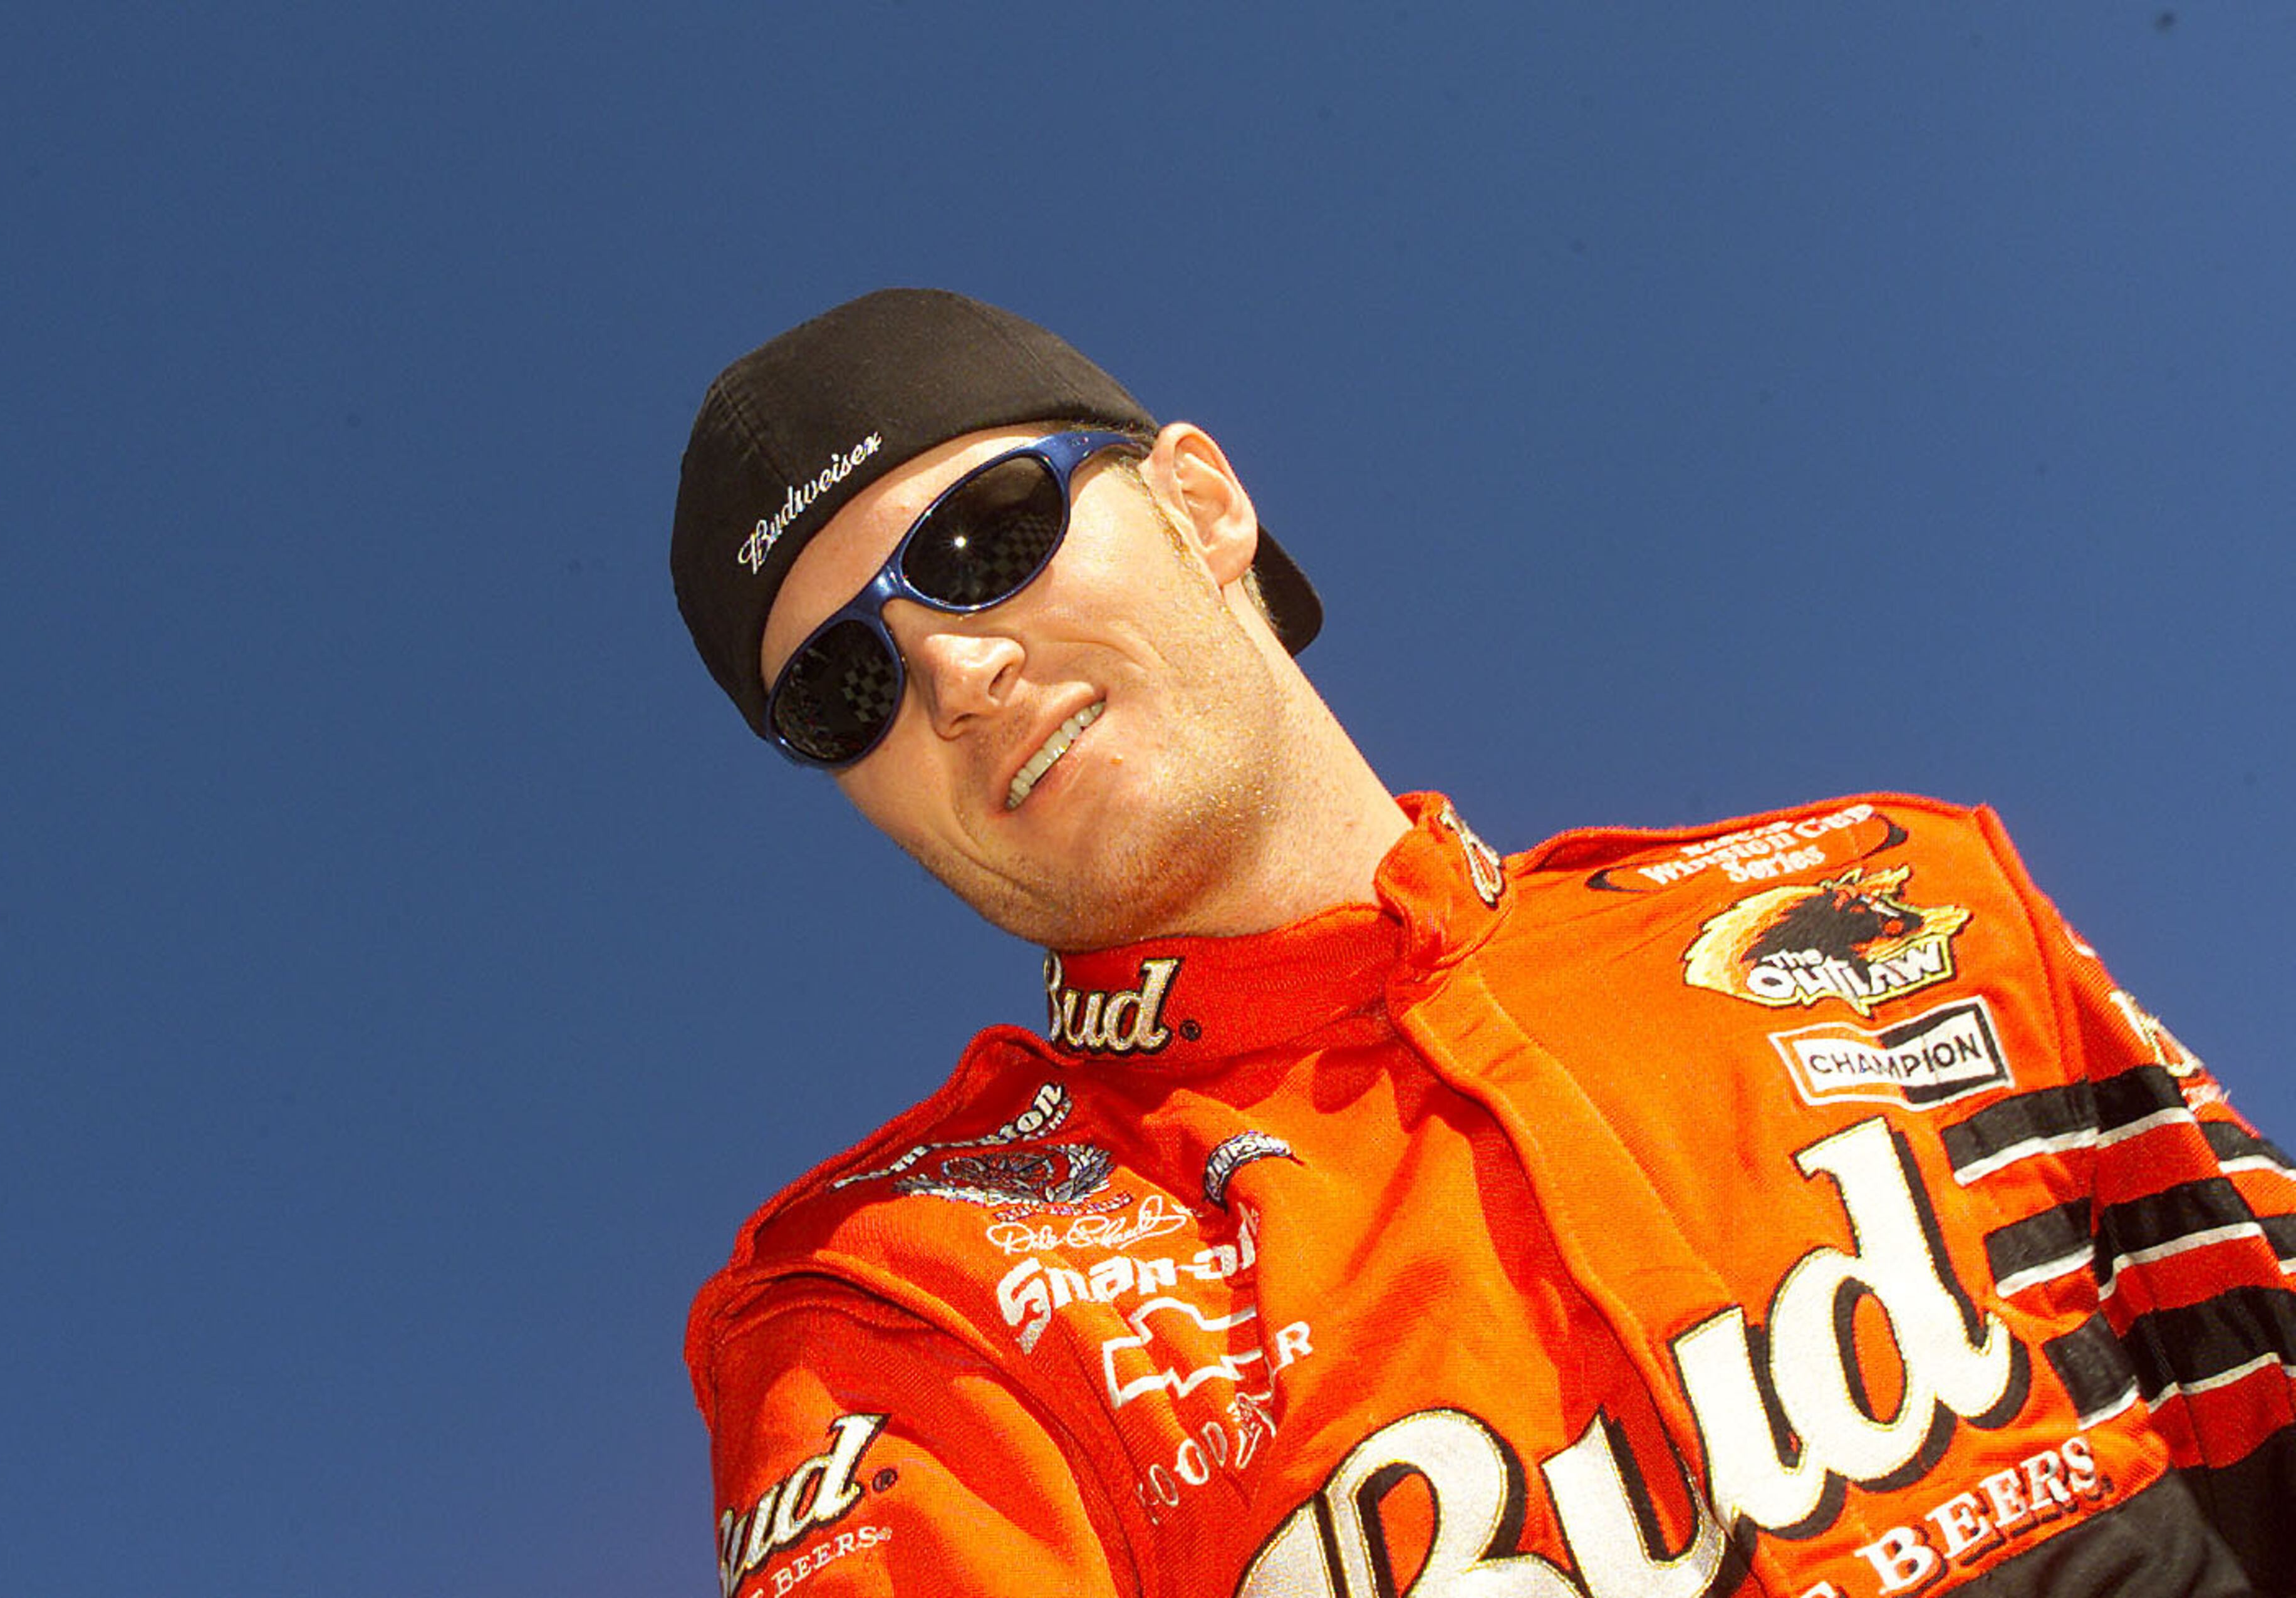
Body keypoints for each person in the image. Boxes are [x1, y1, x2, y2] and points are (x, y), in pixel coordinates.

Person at [667, 289, 2295, 1598]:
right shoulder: (905, 1308)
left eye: (982, 537)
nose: (951, 671)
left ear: (1202, 502)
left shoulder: (1897, 896)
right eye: (842, 690)